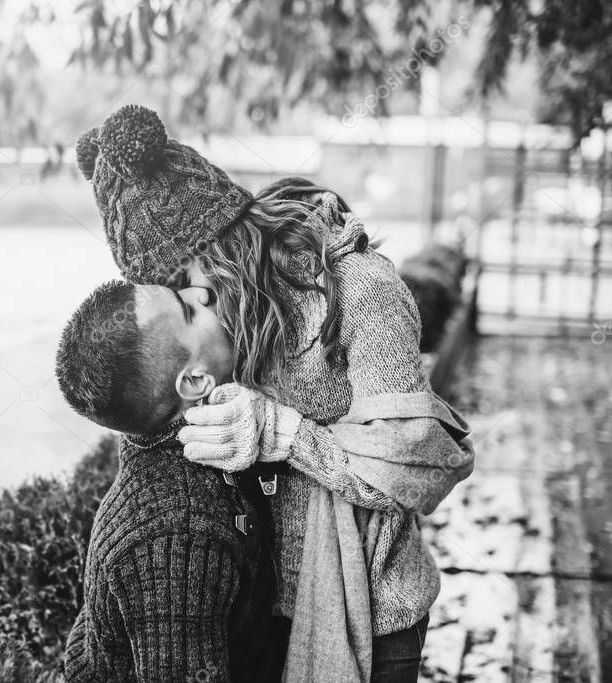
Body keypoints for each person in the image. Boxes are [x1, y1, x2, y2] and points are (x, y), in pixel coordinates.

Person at [74, 105, 475, 682]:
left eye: (186, 290)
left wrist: (284, 433)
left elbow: (413, 467)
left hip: (374, 609)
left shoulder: (360, 290)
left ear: (218, 246)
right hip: (260, 609)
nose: (200, 311)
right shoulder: (224, 329)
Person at [56, 280, 281, 682]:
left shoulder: (167, 444)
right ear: (194, 382)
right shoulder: (178, 533)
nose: (203, 293)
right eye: (189, 310)